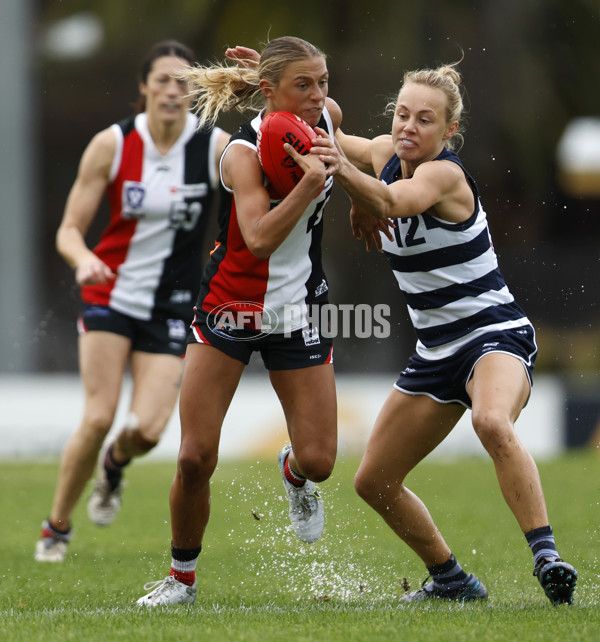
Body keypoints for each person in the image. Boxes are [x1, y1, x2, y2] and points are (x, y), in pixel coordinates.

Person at [295, 60, 577, 605]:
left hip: (493, 335)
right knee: (372, 481)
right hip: (436, 351)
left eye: (425, 120)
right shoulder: (382, 157)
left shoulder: (442, 175)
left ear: (449, 131)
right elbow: (324, 132)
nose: (408, 127)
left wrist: (344, 174)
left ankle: (546, 557)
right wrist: (273, 88)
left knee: (490, 420)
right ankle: (451, 579)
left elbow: (394, 202)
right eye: (402, 114)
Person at [135, 36, 341, 606]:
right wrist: (310, 183)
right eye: (304, 84)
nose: (318, 96)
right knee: (194, 457)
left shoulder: (323, 119)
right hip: (229, 308)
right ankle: (181, 580)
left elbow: (334, 123)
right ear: (270, 92)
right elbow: (258, 237)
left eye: (323, 82)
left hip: (298, 309)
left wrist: (363, 197)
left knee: (321, 461)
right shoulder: (240, 155)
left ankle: (294, 475)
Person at [34, 40, 231, 563]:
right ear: (143, 87)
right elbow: (69, 231)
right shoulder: (113, 144)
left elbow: (261, 174)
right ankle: (56, 527)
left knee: (145, 430)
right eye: (163, 80)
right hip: (110, 294)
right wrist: (83, 260)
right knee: (98, 417)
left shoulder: (213, 147)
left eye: (184, 82)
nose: (173, 90)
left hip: (172, 305)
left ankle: (114, 467)